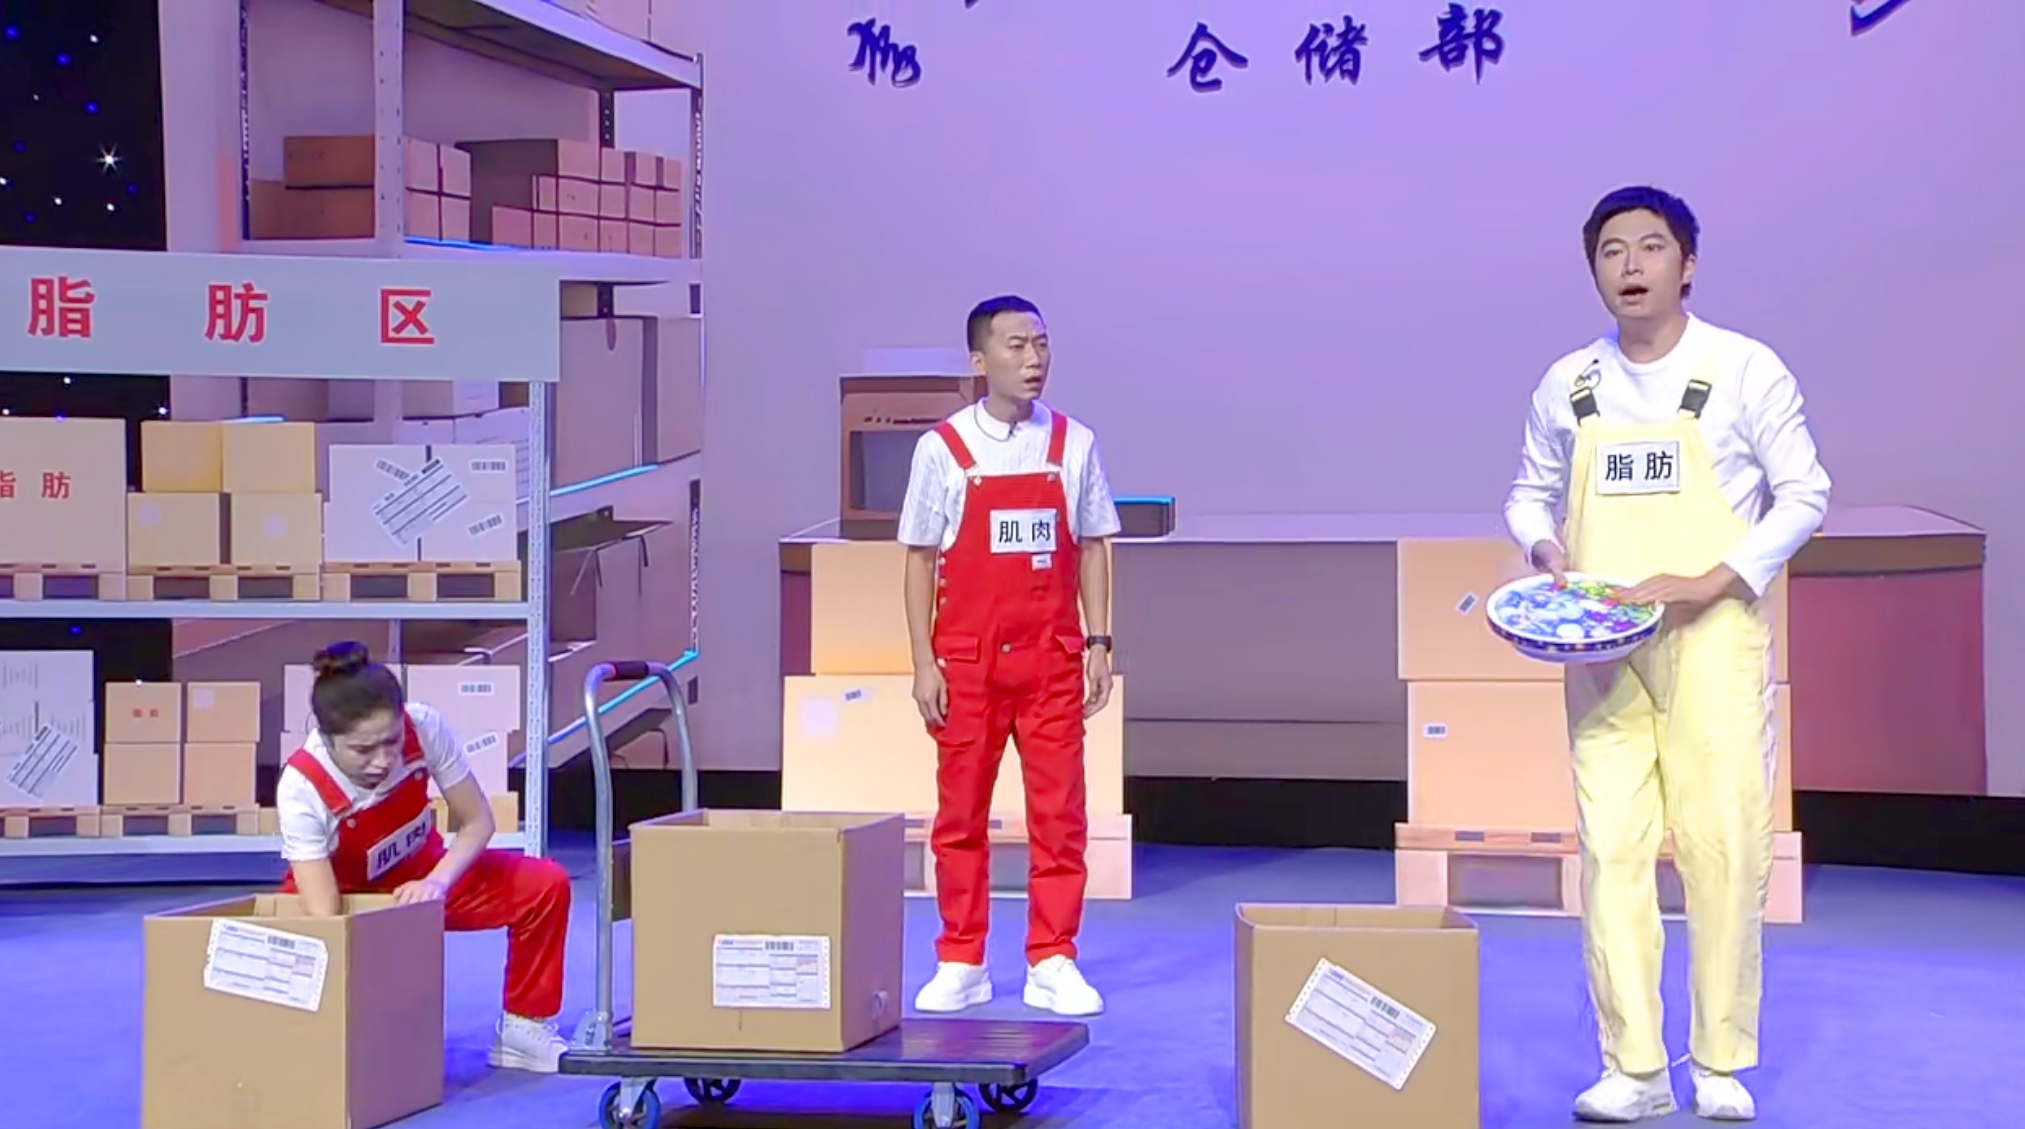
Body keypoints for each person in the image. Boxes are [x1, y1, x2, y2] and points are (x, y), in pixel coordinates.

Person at [1505, 187, 1831, 1122]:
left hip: (1710, 637)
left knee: (1722, 845)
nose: (1631, 266)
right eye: (1611, 251)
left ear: (1686, 265)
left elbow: (1804, 493)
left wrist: (1713, 578)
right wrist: (1544, 548)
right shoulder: (1567, 383)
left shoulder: (1741, 368)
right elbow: (1526, 493)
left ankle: (1719, 1062)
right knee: (1609, 850)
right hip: (1602, 647)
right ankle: (1634, 1067)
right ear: (1593, 270)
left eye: (1651, 247)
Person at [898, 294, 1121, 1018]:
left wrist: (1098, 641)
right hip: (967, 664)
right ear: (979, 359)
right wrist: (923, 661)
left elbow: (1094, 546)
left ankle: (1053, 957)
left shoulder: (1074, 443)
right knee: (959, 816)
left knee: (1059, 816)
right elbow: (919, 558)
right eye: (1017, 346)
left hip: (1052, 660)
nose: (1033, 359)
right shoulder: (943, 449)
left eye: (1041, 344)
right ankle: (961, 958)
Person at [277, 641, 574, 1073]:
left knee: (544, 886)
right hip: (348, 899)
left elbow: (477, 822)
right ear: (328, 739)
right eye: (363, 750)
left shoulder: (425, 727)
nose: (383, 761)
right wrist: (394, 936)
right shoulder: (301, 786)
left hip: (423, 877)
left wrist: (437, 882)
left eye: (392, 741)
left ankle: (522, 1029)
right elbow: (325, 913)